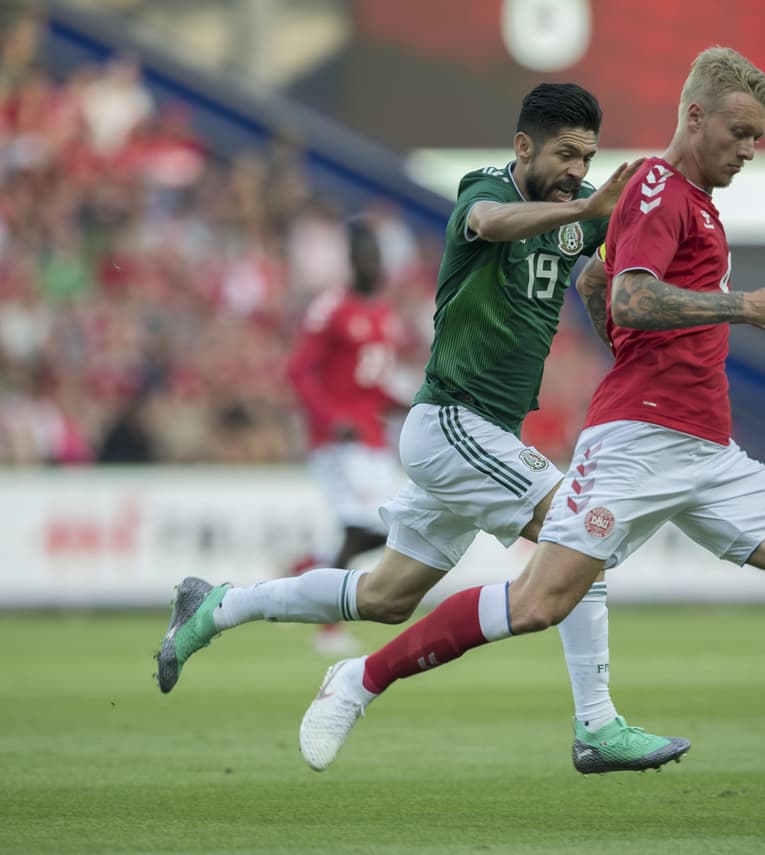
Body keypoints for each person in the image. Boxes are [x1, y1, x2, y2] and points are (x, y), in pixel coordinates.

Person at [298, 48, 765, 826]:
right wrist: (738, 307)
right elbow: (637, 297)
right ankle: (359, 680)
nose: (749, 150)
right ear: (695, 116)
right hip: (637, 443)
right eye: (740, 132)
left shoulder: (696, 206)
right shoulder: (654, 185)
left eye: (758, 139)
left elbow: (599, 282)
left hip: (708, 449)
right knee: (539, 600)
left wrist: (622, 322)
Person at [156, 83, 690, 775]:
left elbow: (623, 228)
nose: (576, 170)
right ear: (523, 145)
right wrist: (588, 208)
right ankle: (597, 724)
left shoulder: (573, 210)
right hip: (453, 423)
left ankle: (217, 606)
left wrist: (667, 169)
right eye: (564, 153)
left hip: (475, 434)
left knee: (385, 596)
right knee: (579, 531)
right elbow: (493, 223)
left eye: (587, 157)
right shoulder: (484, 190)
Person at [283, 216, 410, 655]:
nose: (372, 263)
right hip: (338, 441)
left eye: (377, 256)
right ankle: (328, 627)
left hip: (373, 439)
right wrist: (330, 416)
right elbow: (299, 371)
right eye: (365, 255)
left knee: (395, 530)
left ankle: (306, 569)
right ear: (352, 260)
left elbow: (374, 385)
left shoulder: (384, 315)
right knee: (360, 526)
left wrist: (408, 408)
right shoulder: (330, 307)